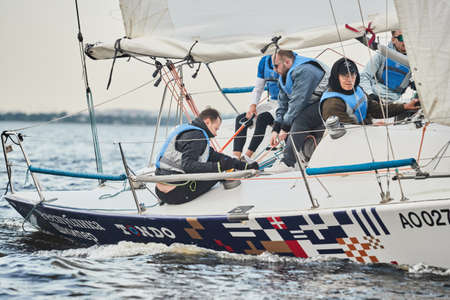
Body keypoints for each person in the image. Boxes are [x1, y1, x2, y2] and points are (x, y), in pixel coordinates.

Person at [155, 108, 259, 205]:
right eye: (216, 129)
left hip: (160, 191)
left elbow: (215, 156)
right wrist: (219, 167)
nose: (216, 134)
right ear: (207, 122)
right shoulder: (198, 136)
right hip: (176, 192)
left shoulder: (190, 131)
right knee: (220, 173)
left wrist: (244, 166)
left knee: (218, 167)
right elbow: (188, 165)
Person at [268, 50, 330, 170]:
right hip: (313, 104)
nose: (274, 70)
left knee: (301, 119)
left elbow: (298, 102)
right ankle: (296, 158)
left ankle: (288, 163)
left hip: (330, 101)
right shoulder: (284, 76)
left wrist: (285, 128)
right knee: (292, 119)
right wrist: (276, 129)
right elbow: (283, 105)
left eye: (276, 66)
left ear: (287, 62)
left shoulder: (305, 71)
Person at [320, 57, 419, 124]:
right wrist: (371, 128)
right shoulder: (332, 104)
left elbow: (376, 109)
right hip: (347, 142)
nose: (349, 79)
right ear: (336, 77)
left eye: (352, 74)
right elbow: (347, 133)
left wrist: (405, 107)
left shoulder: (357, 89)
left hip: (365, 130)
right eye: (344, 75)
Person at [233, 55, 279, 161]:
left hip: (285, 104)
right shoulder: (264, 61)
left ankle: (247, 157)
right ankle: (235, 158)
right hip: (273, 102)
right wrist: (253, 105)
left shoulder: (287, 59)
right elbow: (258, 88)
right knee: (241, 119)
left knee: (262, 118)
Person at [359, 30, 414, 102]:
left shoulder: (415, 61)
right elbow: (364, 77)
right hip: (376, 96)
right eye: (401, 38)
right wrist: (370, 95)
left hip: (396, 101)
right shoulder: (382, 55)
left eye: (408, 37)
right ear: (393, 40)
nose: (406, 41)